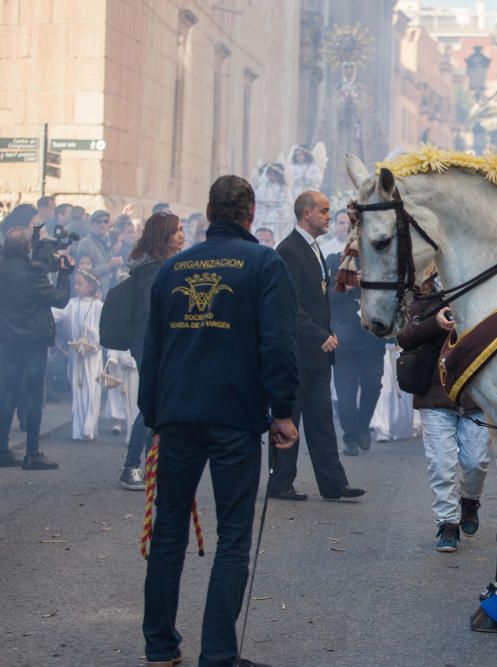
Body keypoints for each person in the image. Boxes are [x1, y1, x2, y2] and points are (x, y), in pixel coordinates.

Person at [139, 175, 299, 667]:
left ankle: (160, 647)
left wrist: (153, 415)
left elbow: (154, 351)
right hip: (234, 415)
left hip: (179, 415)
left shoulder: (173, 268)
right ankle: (217, 655)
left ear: (209, 211)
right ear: (250, 213)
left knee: (168, 531)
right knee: (232, 534)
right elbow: (276, 345)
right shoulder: (264, 263)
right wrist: (284, 412)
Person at [267, 191, 364, 502]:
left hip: (318, 356)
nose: (328, 216)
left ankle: (333, 484)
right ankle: (280, 482)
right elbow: (290, 305)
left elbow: (319, 297)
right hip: (298, 352)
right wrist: (317, 334)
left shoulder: (313, 248)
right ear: (306, 213)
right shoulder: (290, 250)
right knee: (289, 417)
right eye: (323, 211)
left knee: (321, 419)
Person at [396, 284, 490, 552]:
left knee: (476, 462)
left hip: (476, 393)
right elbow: (404, 337)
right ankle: (447, 524)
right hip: (433, 394)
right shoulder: (422, 295)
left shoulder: (480, 287)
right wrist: (435, 324)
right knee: (440, 464)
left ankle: (470, 500)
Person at [118, 211, 186, 491]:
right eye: (176, 230)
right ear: (163, 237)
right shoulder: (153, 270)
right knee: (151, 406)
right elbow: (151, 313)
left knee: (157, 405)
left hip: (158, 344)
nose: (181, 234)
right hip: (151, 344)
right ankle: (131, 466)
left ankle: (150, 465)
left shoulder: (162, 265)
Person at [0, 227, 73, 469]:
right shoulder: (33, 273)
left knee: (8, 394)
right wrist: (64, 274)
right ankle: (32, 453)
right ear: (26, 248)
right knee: (33, 395)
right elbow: (60, 298)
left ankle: (2, 450)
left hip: (8, 340)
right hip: (33, 342)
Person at [328, 248, 385, 455]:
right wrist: (348, 285)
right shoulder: (334, 260)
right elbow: (325, 298)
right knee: (346, 393)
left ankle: (362, 427)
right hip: (343, 339)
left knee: (373, 385)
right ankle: (350, 437)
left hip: (372, 337)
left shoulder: (380, 260)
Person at [52, 270, 104, 440]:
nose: (76, 287)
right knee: (78, 388)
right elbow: (57, 314)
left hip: (92, 355)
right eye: (76, 283)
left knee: (92, 388)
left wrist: (93, 335)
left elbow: (102, 329)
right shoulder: (72, 304)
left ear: (90, 286)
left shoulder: (98, 306)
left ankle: (89, 426)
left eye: (80, 284)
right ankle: (78, 428)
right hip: (77, 354)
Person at [76, 209, 121, 289]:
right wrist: (109, 265)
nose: (102, 224)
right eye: (99, 222)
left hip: (109, 289)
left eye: (105, 221)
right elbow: (85, 272)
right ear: (92, 224)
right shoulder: (86, 244)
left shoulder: (108, 240)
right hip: (93, 292)